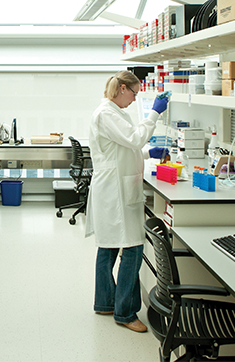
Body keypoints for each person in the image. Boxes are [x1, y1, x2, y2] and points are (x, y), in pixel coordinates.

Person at [85, 70, 168, 333]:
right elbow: (132, 138)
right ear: (122, 88)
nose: (134, 99)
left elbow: (122, 147)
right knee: (132, 247)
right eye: (134, 93)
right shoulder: (107, 113)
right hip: (115, 191)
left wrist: (147, 152)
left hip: (115, 187)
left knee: (108, 247)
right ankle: (125, 312)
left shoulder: (112, 112)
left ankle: (105, 302)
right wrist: (154, 113)